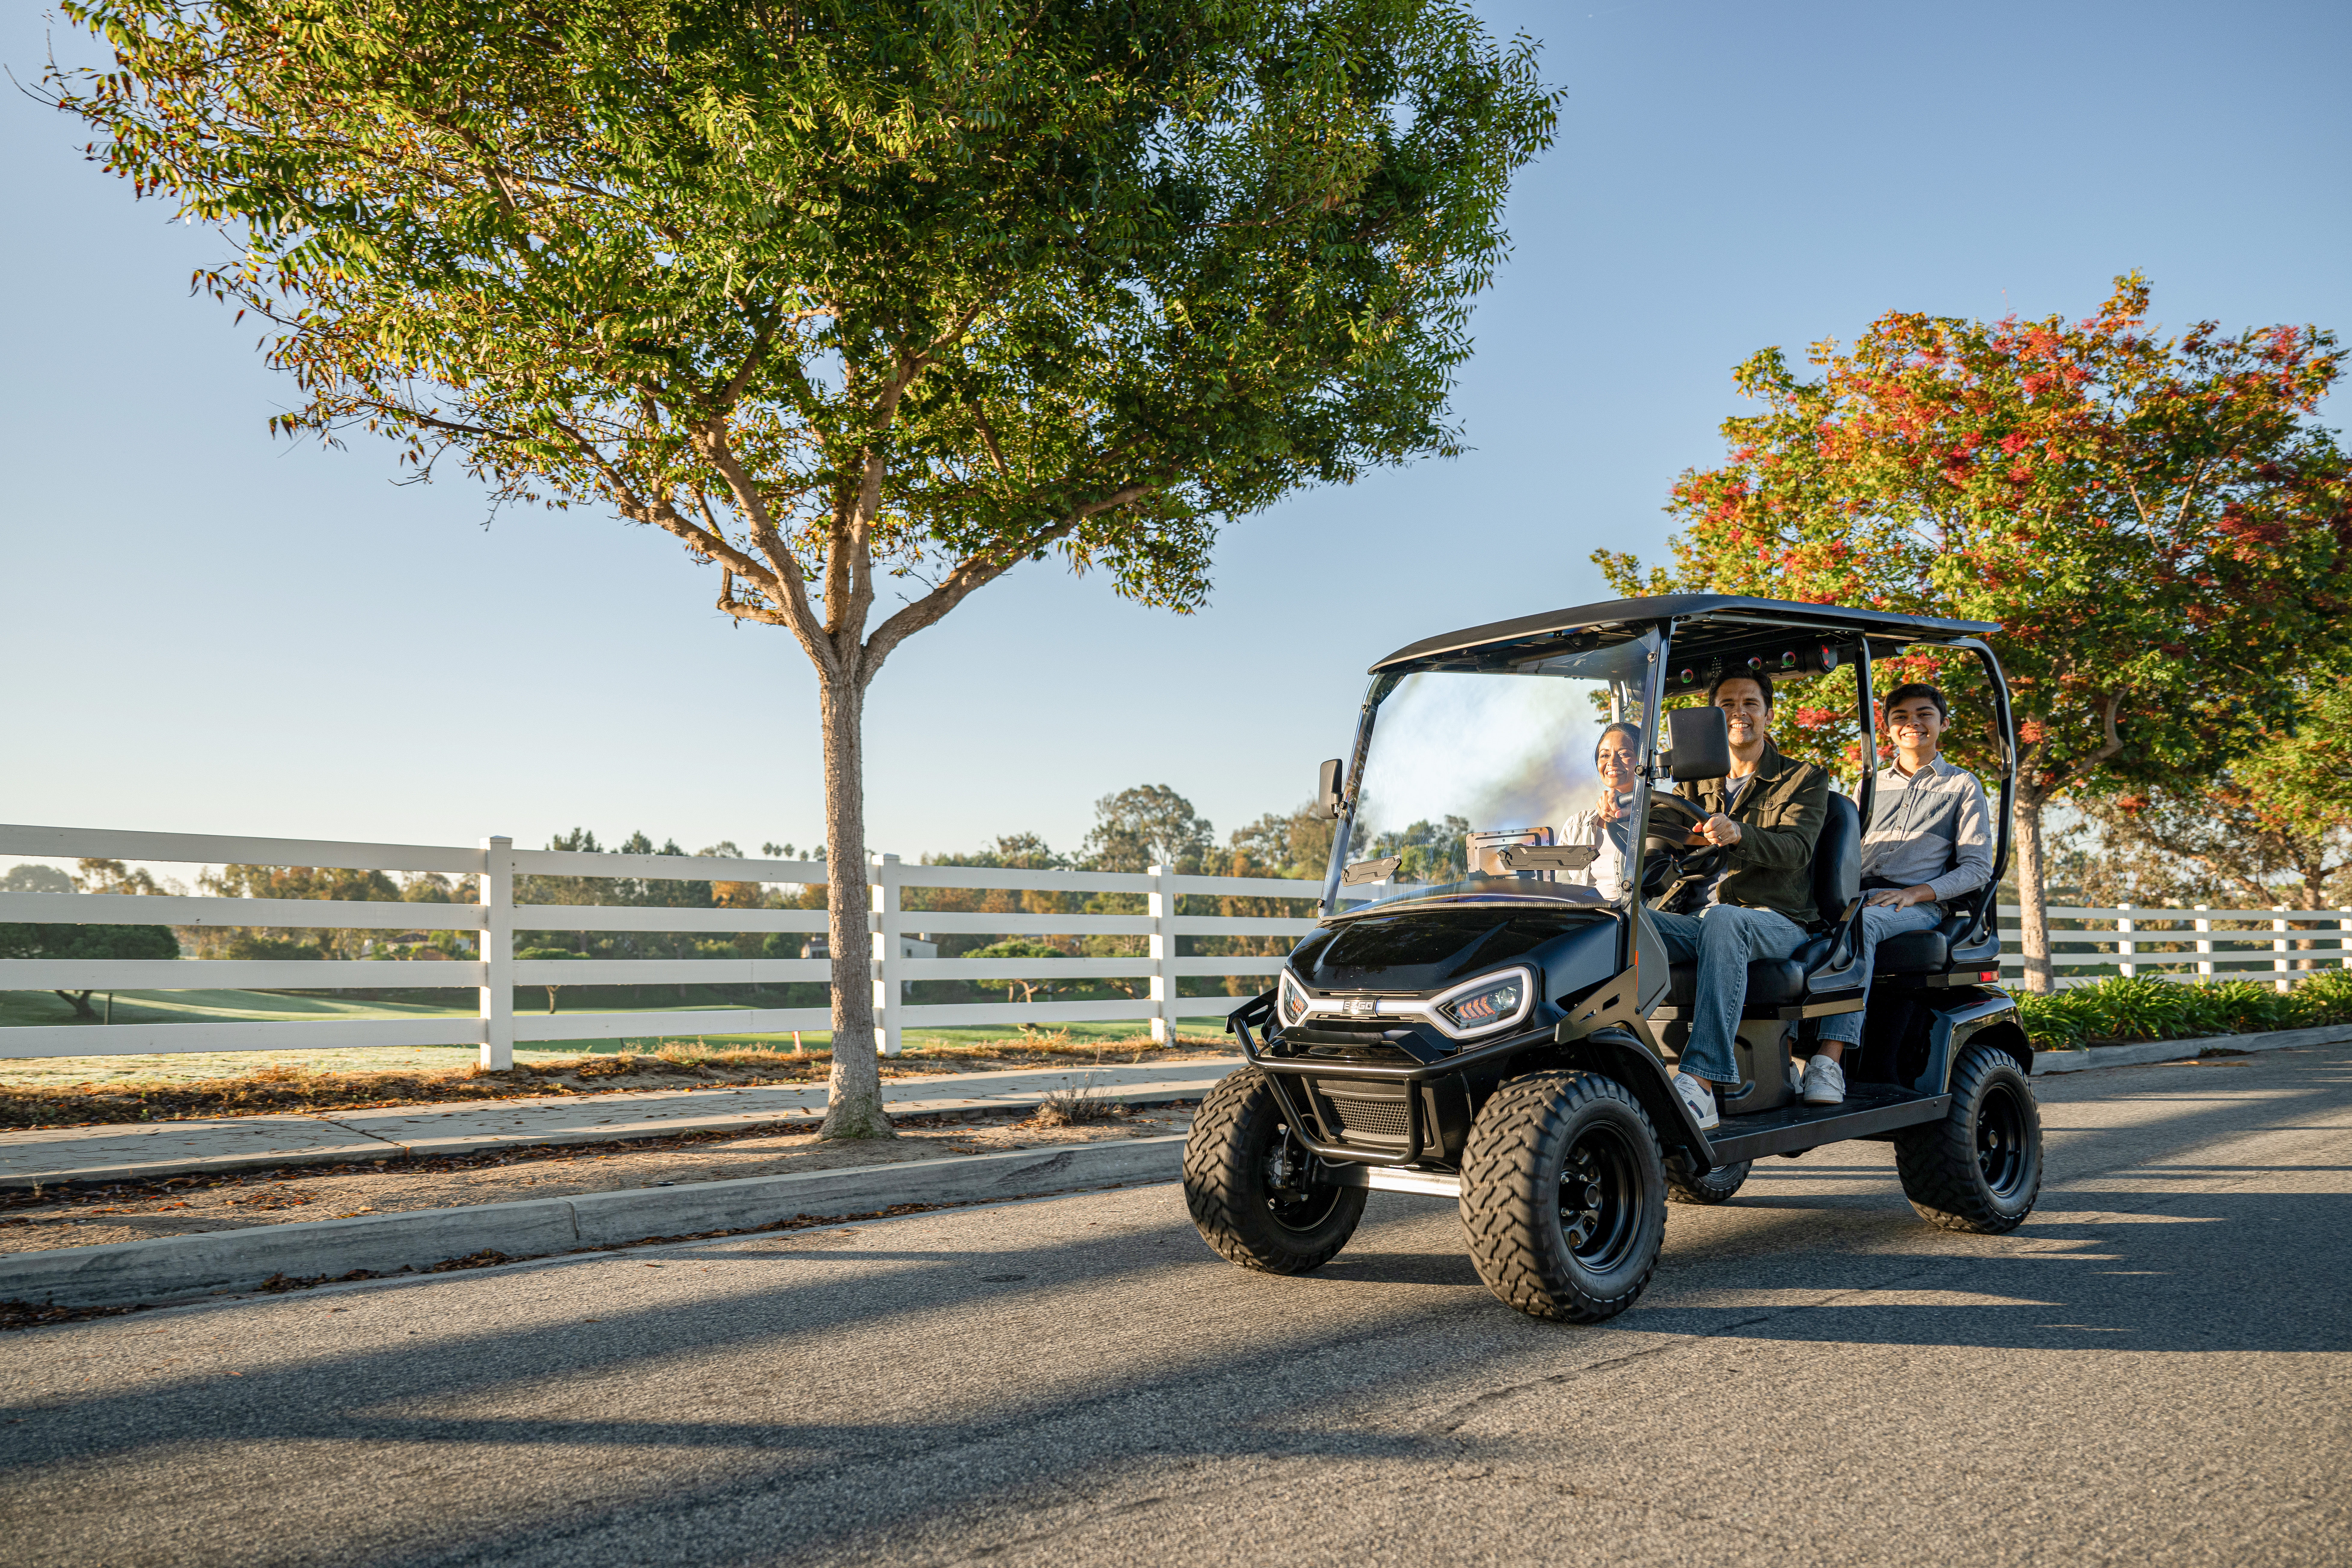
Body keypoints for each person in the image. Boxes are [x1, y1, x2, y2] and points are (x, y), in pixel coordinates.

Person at [1647, 671, 1829, 1130]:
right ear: (1713, 717)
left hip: (1777, 921)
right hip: (1700, 918)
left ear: (1768, 713)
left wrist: (1739, 833)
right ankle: (1616, 1068)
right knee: (1620, 924)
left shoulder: (1803, 778)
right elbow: (1661, 842)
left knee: (1725, 919)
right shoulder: (1692, 781)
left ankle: (1701, 1083)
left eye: (1750, 703)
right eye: (1727, 704)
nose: (1739, 712)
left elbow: (1797, 850)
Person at [1800, 682, 1994, 1104]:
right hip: (1854, 895)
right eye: (1901, 717)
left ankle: (1828, 1061)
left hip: (1914, 903)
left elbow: (1978, 868)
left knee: (1858, 927)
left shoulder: (1961, 786)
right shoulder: (1866, 787)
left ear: (1942, 723)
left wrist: (1918, 894)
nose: (1913, 724)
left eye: (1924, 714)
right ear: (1888, 729)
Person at [1561, 721, 1641, 899]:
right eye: (1604, 755)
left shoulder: (1661, 817)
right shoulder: (1576, 825)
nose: (1612, 762)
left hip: (1638, 919)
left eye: (1624, 754)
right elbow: (1560, 885)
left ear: (1643, 761)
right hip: (1588, 918)